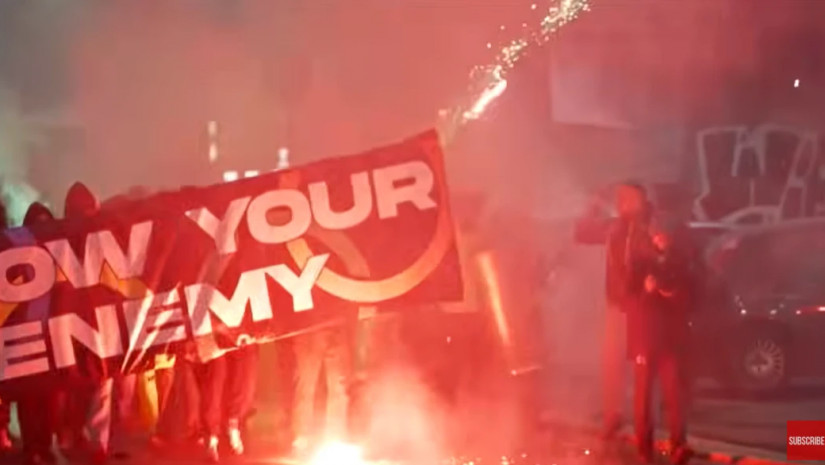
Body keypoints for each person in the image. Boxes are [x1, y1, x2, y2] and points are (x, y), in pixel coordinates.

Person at [629, 217, 694, 465]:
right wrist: (647, 292)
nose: (661, 240)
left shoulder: (680, 262)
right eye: (657, 235)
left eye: (665, 235)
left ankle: (678, 444)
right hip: (646, 338)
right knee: (644, 397)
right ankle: (644, 449)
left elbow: (686, 297)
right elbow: (630, 300)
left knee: (674, 394)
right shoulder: (640, 263)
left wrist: (667, 292)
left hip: (671, 340)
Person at [603, 182, 653, 439]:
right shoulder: (618, 229)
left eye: (626, 198)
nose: (620, 202)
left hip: (640, 307)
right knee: (612, 363)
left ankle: (643, 424)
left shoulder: (648, 227)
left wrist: (640, 293)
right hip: (617, 304)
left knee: (642, 368)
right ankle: (614, 415)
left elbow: (649, 263)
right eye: (619, 198)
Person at [14, 202, 61, 465]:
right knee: (28, 396)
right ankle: (31, 447)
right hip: (25, 336)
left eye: (47, 223)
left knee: (50, 396)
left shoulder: (60, 255)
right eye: (38, 224)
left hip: (52, 336)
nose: (44, 229)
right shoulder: (16, 258)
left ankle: (44, 444)